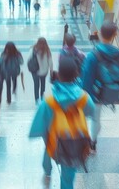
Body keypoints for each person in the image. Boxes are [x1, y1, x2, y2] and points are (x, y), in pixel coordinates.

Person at [29, 57, 99, 189]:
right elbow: (92, 112)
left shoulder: (50, 101)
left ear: (59, 75)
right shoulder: (84, 97)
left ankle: (47, 170)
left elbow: (40, 124)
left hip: (54, 141)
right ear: (76, 75)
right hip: (74, 142)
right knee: (68, 177)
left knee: (48, 151)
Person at [81, 23, 119, 148]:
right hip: (108, 93)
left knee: (88, 117)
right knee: (96, 119)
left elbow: (87, 80)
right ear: (114, 36)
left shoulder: (92, 56)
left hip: (94, 94)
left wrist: (85, 95)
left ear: (100, 34)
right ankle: (93, 143)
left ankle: (85, 140)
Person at [28, 37, 53, 103]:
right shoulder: (47, 51)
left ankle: (36, 100)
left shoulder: (33, 49)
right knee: (43, 85)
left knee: (36, 85)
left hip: (35, 71)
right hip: (44, 71)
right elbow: (50, 62)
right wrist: (51, 71)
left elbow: (29, 59)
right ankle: (42, 98)